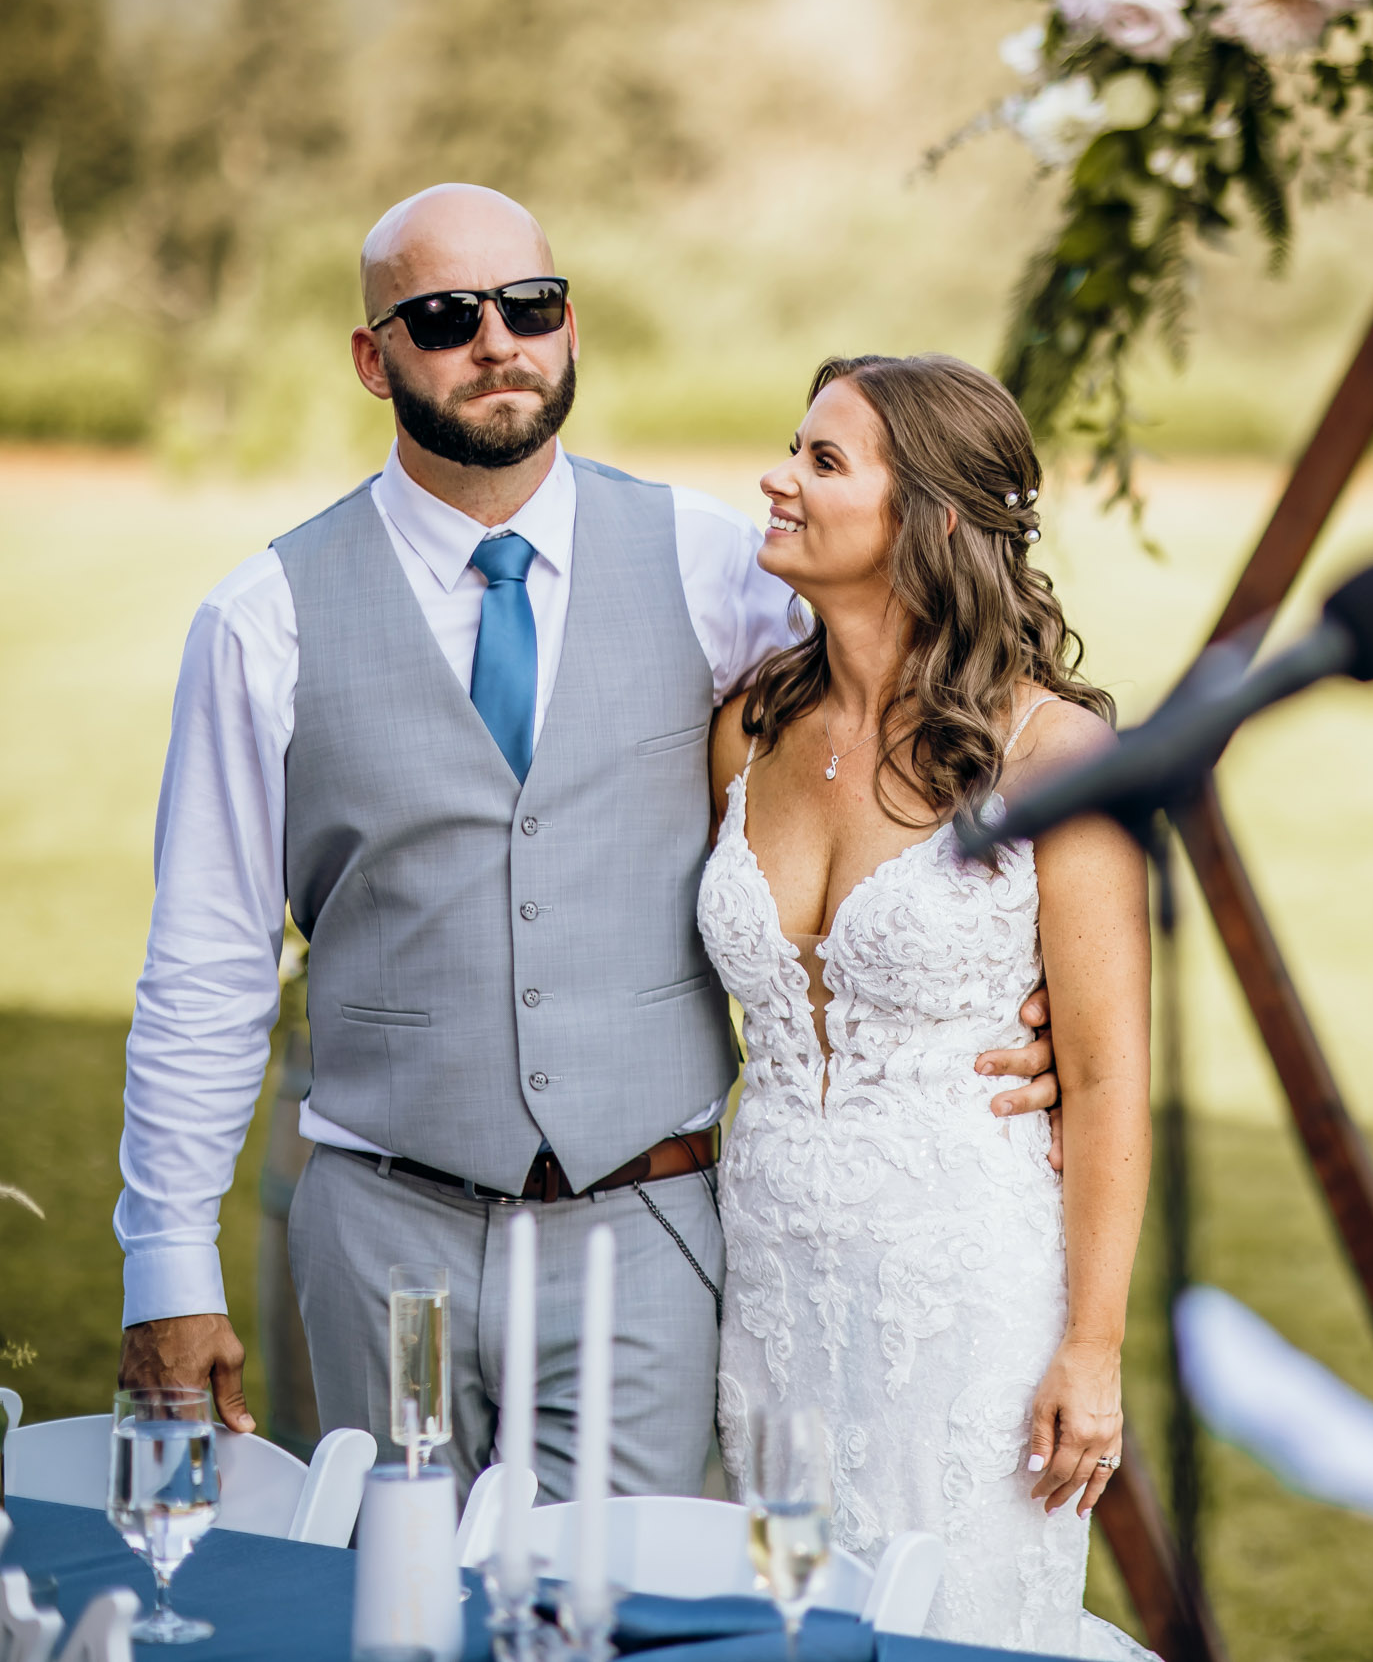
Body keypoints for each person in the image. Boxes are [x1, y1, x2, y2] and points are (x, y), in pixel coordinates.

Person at [113, 185, 1064, 1499]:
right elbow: (205, 964)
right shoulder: (260, 621)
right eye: (445, 317)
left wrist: (1028, 994)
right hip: (383, 1228)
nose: (498, 342)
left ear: (571, 330)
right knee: (394, 1615)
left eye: (532, 307)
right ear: (371, 355)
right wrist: (165, 1266)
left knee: (622, 1622)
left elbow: (944, 706)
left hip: (650, 1231)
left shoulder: (716, 567)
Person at [699, 353, 1151, 1656]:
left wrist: (1094, 1348)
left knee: (966, 1626)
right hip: (774, 1276)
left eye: (825, 463)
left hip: (968, 1288)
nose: (778, 479)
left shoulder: (1053, 757)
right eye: (794, 447)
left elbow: (1110, 1074)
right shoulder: (748, 728)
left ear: (936, 522)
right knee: (790, 1625)